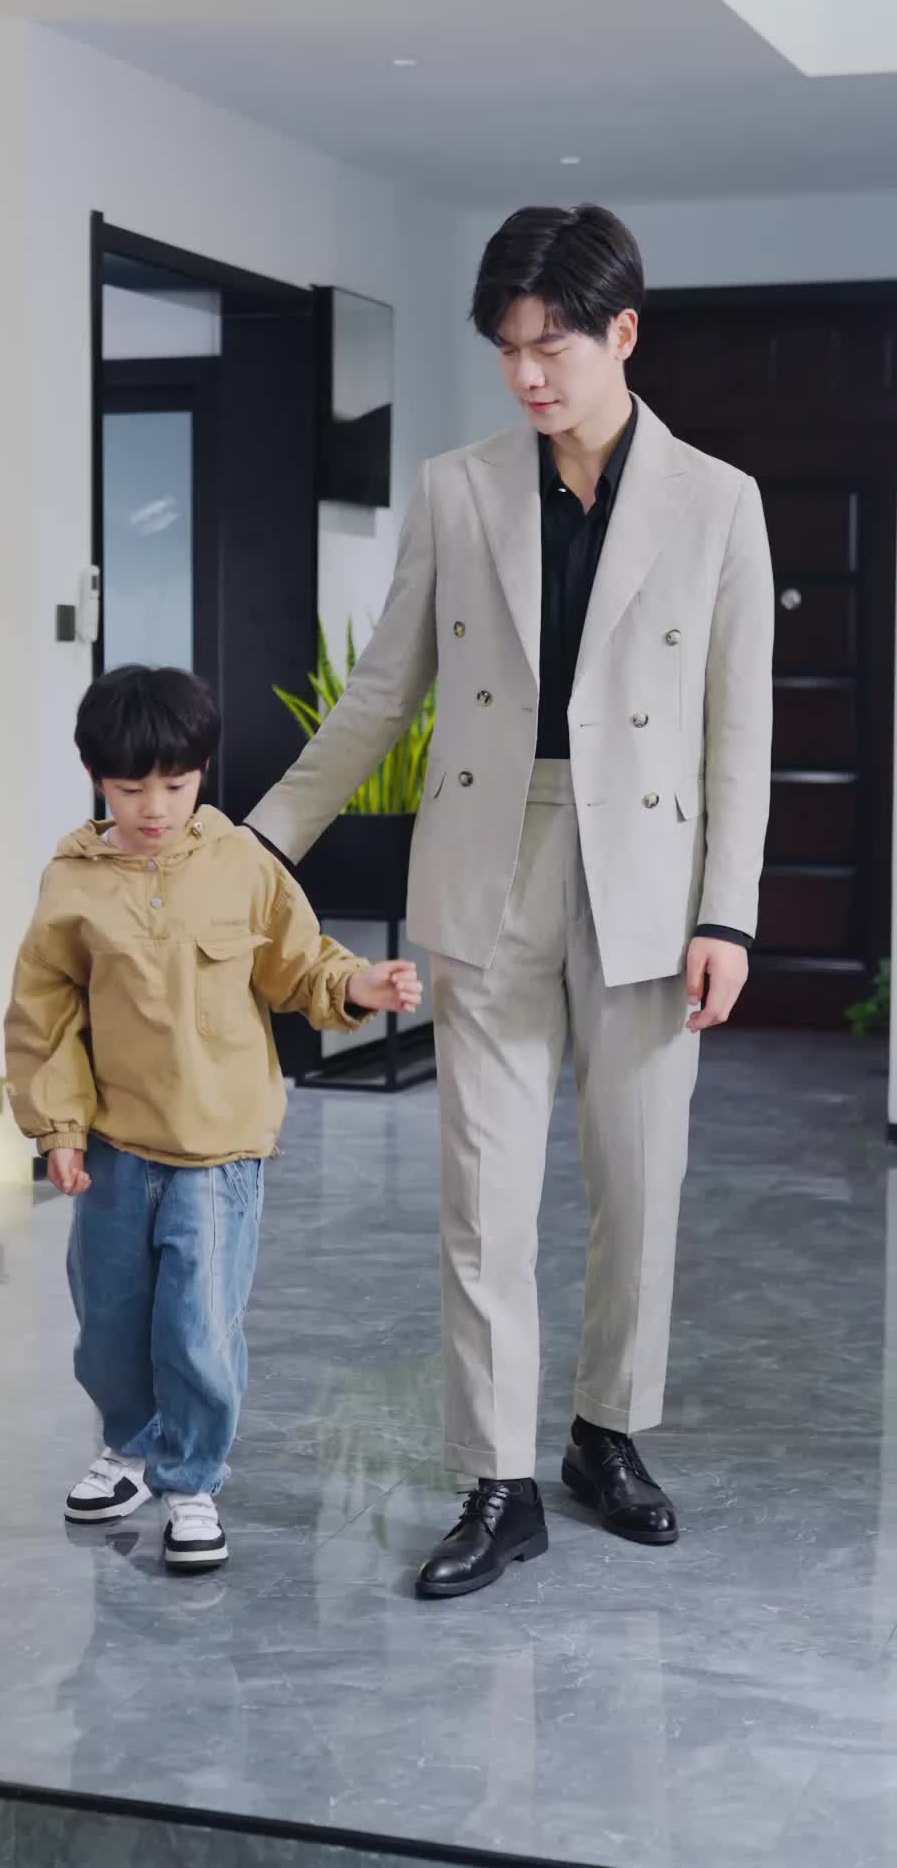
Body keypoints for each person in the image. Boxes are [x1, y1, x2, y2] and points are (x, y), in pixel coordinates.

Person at [247, 204, 774, 1599]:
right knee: (484, 1195)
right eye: (507, 349)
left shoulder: (719, 502)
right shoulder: (459, 490)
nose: (528, 375)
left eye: (553, 346)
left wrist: (728, 913)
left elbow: (740, 731)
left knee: (638, 1183)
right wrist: (263, 840)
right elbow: (381, 693)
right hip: (493, 858)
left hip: (651, 877)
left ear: (623, 333)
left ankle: (607, 1434)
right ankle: (498, 1481)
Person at [4, 664, 421, 1573]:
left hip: (219, 1150)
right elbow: (45, 1018)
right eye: (130, 789)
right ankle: (129, 1449)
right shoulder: (71, 884)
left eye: (176, 785)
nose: (154, 808)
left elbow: (299, 965)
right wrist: (59, 1130)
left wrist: (357, 984)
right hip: (114, 1149)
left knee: (197, 1327)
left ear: (202, 774)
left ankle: (191, 1479)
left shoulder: (243, 866)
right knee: (109, 1322)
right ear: (97, 780)